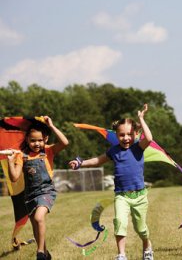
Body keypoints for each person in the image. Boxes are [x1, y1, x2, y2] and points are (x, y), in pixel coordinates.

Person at [69, 104, 154, 260]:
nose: (126, 138)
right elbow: (97, 161)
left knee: (141, 228)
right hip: (121, 195)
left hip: (140, 196)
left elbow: (149, 138)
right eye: (122, 135)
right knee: (120, 222)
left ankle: (147, 246)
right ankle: (121, 255)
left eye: (129, 134)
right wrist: (80, 163)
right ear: (116, 134)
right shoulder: (113, 151)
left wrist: (141, 119)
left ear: (136, 133)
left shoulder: (138, 147)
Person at [7, 117, 69, 260]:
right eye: (33, 140)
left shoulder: (48, 151)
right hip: (29, 196)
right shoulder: (21, 156)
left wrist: (52, 126)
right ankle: (46, 254)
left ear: (45, 139)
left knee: (39, 217)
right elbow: (14, 177)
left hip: (46, 191)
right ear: (27, 140)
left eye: (40, 140)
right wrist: (11, 162)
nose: (37, 143)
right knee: (36, 225)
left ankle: (40, 252)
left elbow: (65, 142)